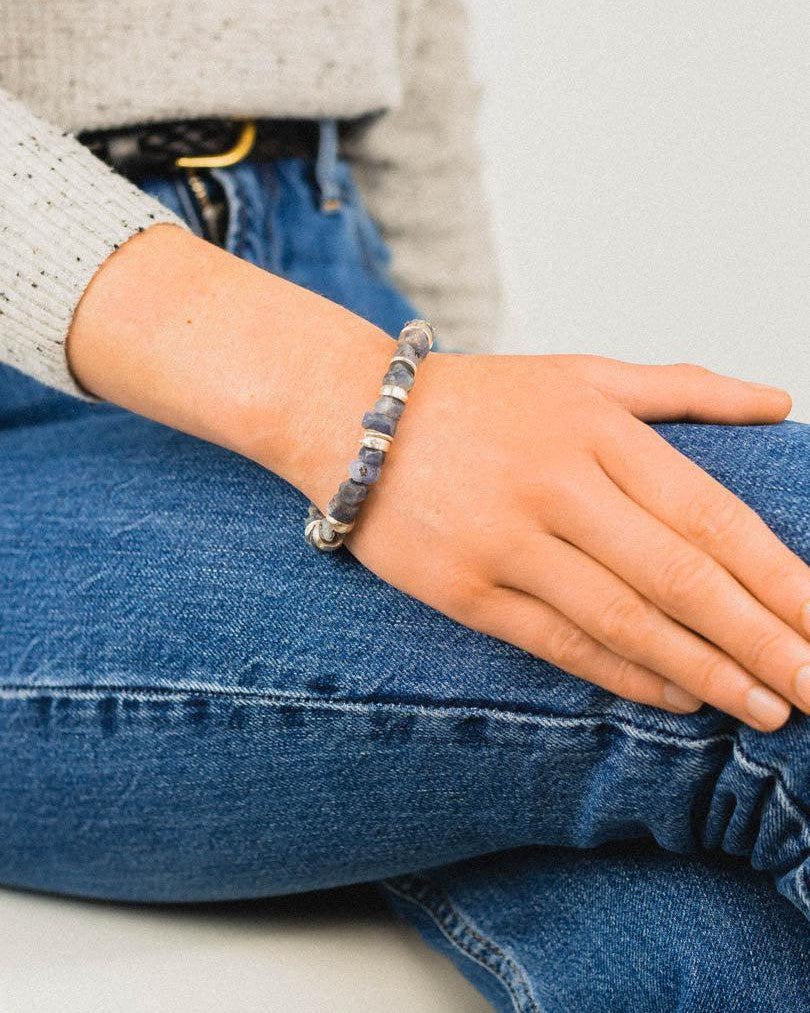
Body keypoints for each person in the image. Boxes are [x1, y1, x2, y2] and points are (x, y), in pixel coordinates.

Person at [0, 1, 808, 1008]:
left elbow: (411, 66)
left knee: (719, 945)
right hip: (63, 396)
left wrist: (461, 407)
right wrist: (352, 405)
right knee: (784, 545)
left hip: (344, 283)